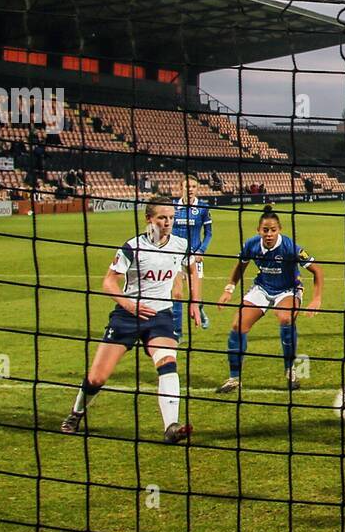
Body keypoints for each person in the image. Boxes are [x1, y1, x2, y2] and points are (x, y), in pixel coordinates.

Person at [60, 196, 201, 444]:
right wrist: (128, 304)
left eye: (170, 218)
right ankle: (76, 412)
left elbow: (192, 270)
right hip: (127, 316)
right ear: (149, 219)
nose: (167, 222)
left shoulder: (181, 244)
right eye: (161, 218)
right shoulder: (132, 246)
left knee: (168, 361)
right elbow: (108, 281)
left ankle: (171, 426)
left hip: (160, 316)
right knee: (97, 378)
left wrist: (195, 303)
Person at [216, 205, 323, 392]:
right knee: (237, 325)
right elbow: (240, 266)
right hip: (262, 288)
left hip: (288, 290)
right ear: (258, 231)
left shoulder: (291, 247)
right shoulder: (251, 244)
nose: (269, 234)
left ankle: (290, 371)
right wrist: (229, 288)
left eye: (273, 230)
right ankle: (234, 379)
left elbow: (317, 271)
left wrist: (316, 299)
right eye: (265, 230)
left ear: (279, 230)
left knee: (285, 318)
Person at [171, 177, 213, 338]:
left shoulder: (202, 208)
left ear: (197, 189)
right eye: (187, 186)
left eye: (194, 186)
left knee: (194, 293)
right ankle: (177, 332)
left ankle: (200, 308)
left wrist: (201, 251)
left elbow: (208, 233)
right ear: (180, 187)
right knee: (177, 294)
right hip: (174, 256)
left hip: (194, 257)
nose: (190, 189)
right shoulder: (173, 206)